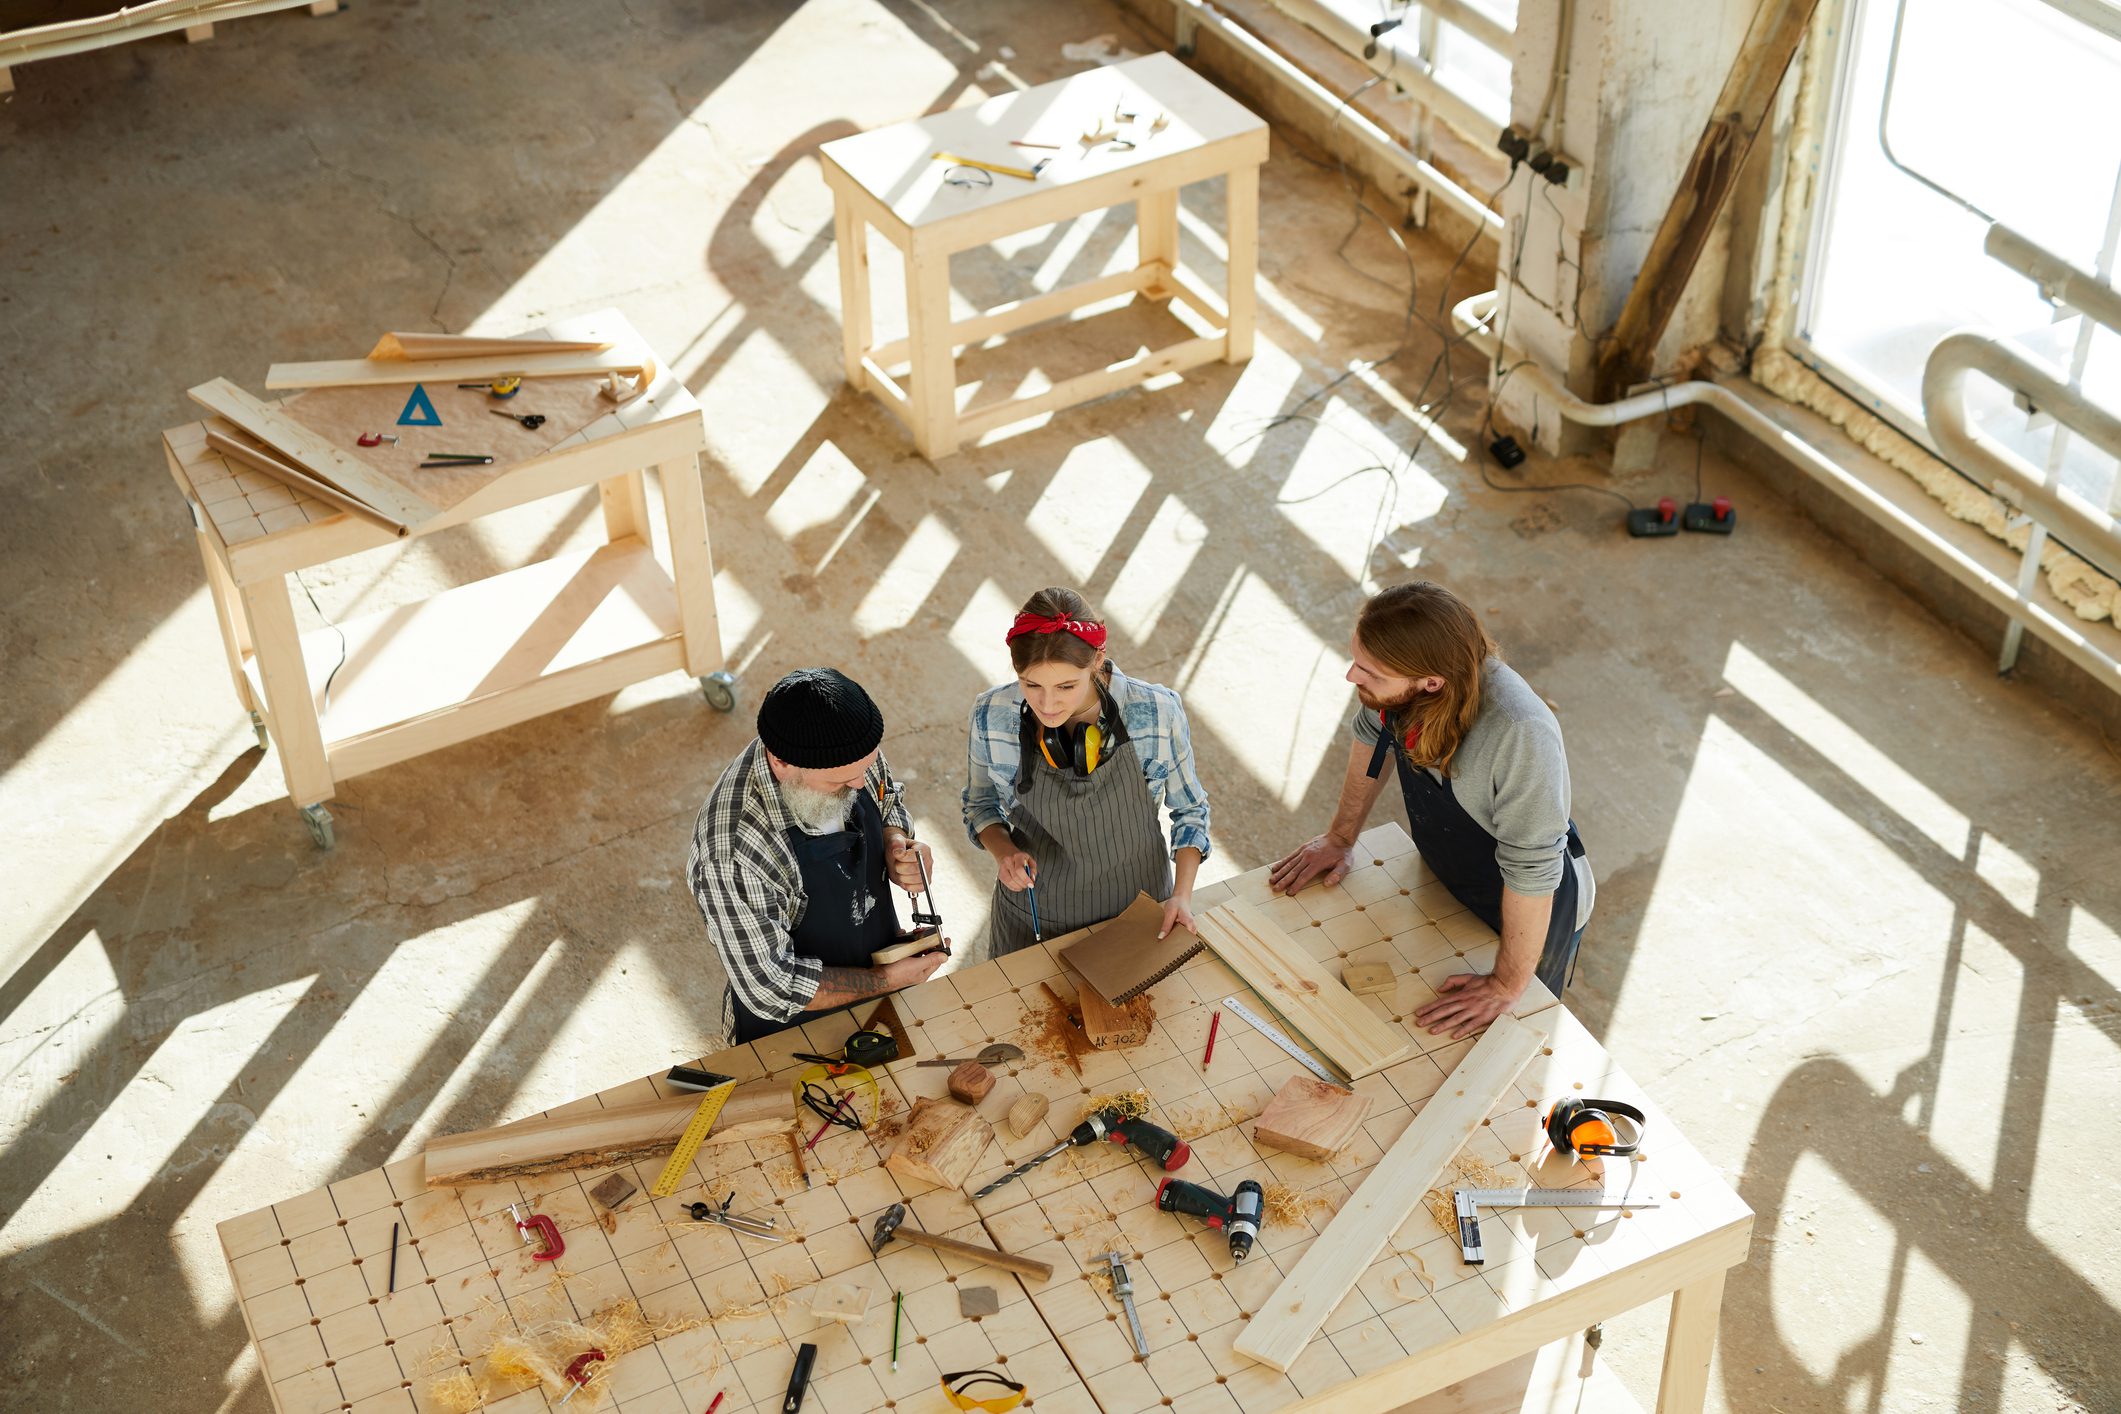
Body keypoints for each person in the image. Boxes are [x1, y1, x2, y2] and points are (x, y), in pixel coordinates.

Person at [1270, 582, 1593, 1039]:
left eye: (1369, 672)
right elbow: (1372, 735)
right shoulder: (1400, 690)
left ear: (1431, 682)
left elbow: (1533, 869)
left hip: (1531, 904)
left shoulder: (1520, 734)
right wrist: (1340, 838)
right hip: (1453, 872)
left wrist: (1505, 984)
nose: (1351, 677)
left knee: (1511, 1036)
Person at [686, 668, 945, 1044]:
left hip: (877, 974)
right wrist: (884, 980)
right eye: (841, 783)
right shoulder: (733, 854)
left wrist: (895, 841)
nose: (860, 784)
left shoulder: (846, 747)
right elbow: (771, 989)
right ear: (781, 763)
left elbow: (889, 798)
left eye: (866, 768)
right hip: (790, 1032)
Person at [963, 587, 1212, 954]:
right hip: (1033, 918)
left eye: (1066, 686)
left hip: (1141, 913)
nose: (1048, 704)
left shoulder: (1157, 713)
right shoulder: (991, 715)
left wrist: (1182, 896)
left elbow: (1191, 811)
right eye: (1032, 685)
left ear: (1097, 661)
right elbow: (980, 804)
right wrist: (1004, 852)